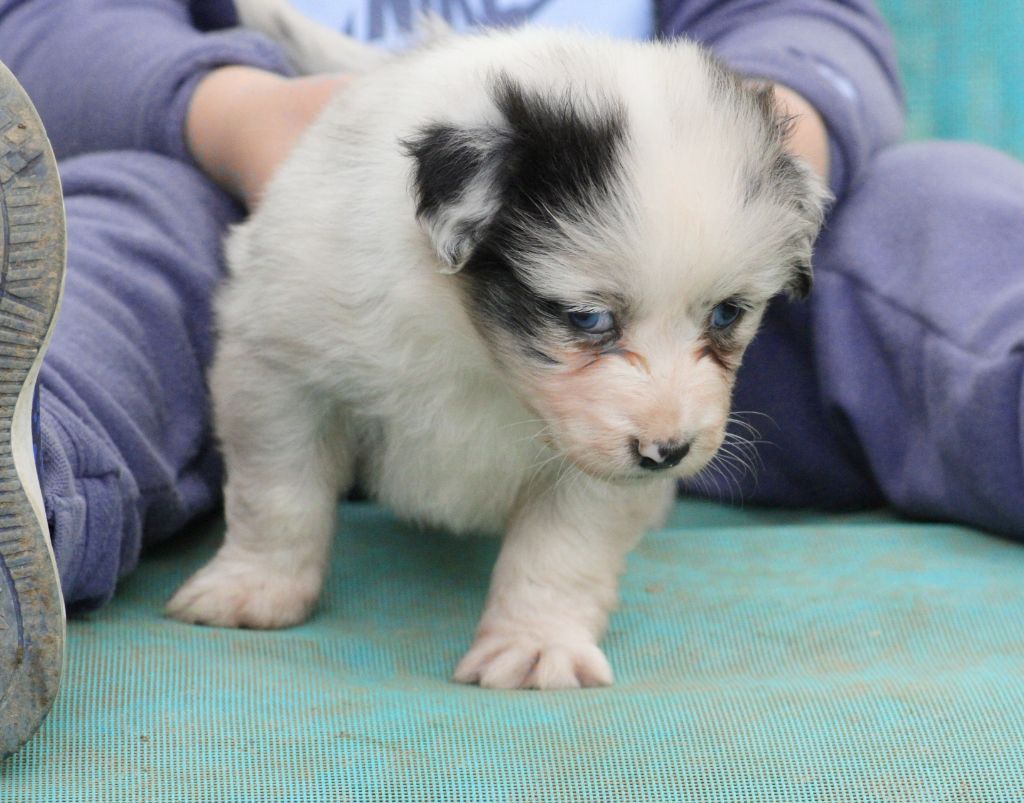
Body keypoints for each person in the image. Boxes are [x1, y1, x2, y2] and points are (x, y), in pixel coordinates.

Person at [1, 0, 1021, 755]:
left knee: (937, 205)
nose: (671, 420)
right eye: (590, 324)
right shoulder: (391, 216)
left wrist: (774, 130)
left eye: (724, 325)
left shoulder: (734, 229)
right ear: (453, 226)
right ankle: (30, 475)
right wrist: (226, 109)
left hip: (724, 173)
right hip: (246, 171)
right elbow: (45, 22)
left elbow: (811, 22)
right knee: (105, 244)